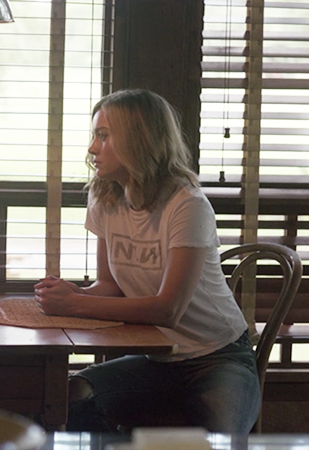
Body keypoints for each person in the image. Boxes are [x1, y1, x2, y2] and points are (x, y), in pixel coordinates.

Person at [34, 89, 259, 434]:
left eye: (103, 136)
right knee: (63, 398)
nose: (92, 148)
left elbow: (166, 310)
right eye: (94, 136)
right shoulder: (105, 196)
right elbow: (109, 287)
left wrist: (76, 304)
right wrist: (73, 294)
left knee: (218, 442)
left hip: (218, 356)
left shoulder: (187, 204)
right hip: (157, 361)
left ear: (139, 140)